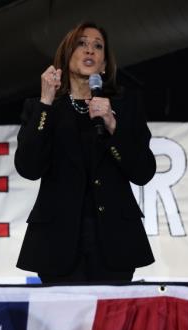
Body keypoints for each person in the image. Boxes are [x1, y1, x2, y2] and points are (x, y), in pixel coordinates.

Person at [14, 22, 156, 284]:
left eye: (98, 46)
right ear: (67, 56)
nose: (90, 49)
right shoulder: (42, 108)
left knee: (111, 324)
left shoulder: (126, 106)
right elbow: (28, 168)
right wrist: (46, 103)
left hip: (115, 241)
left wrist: (114, 127)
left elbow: (143, 172)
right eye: (82, 43)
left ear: (103, 65)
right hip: (56, 242)